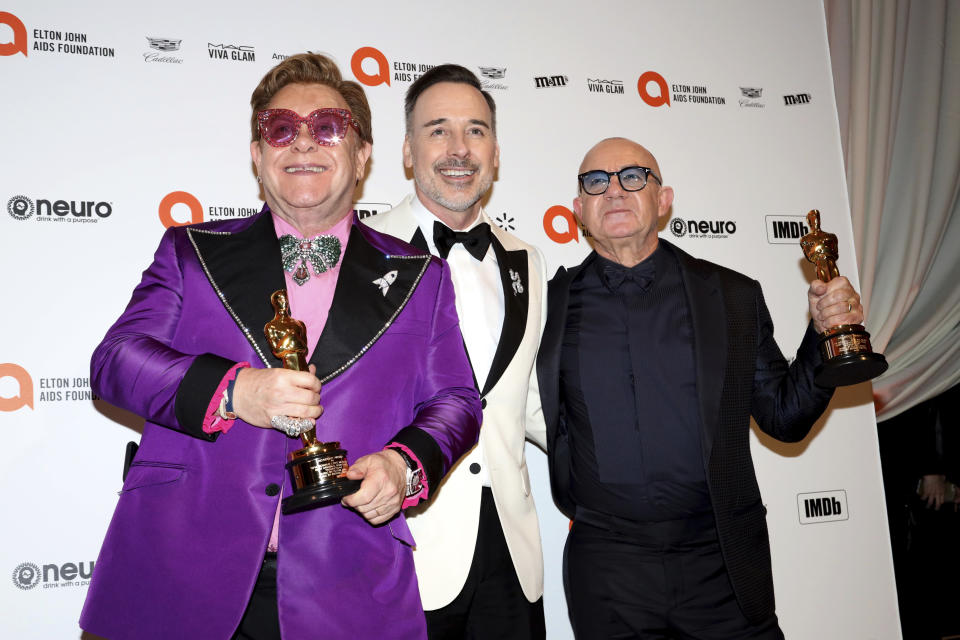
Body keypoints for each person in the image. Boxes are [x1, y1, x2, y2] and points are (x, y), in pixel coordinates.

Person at [79, 53, 481, 640]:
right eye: (280, 129)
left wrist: (402, 464)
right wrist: (235, 390)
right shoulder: (192, 253)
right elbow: (115, 361)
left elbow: (457, 402)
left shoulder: (421, 276)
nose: (303, 144)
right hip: (182, 571)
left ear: (362, 154)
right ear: (257, 152)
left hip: (346, 578)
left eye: (327, 128)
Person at [537, 137, 865, 639]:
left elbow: (784, 416)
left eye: (633, 177)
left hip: (722, 565)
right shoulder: (546, 308)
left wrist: (824, 336)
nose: (615, 191)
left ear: (664, 199)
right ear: (579, 211)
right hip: (609, 572)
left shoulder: (732, 296)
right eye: (596, 182)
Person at [364, 64, 548, 639]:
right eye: (438, 130)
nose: (459, 148)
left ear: (495, 152)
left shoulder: (528, 260)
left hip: (512, 554)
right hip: (404, 544)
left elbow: (530, 400)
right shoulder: (363, 251)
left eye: (476, 130)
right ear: (408, 152)